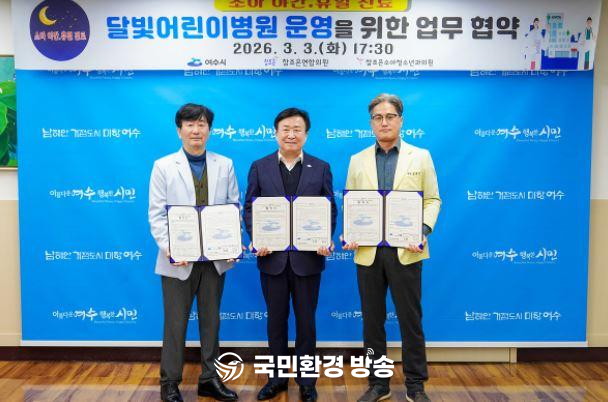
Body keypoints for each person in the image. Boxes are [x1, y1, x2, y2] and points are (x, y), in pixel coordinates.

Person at [343, 94, 441, 402]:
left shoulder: (420, 156)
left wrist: (422, 231)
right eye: (378, 117)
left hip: (407, 250)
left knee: (410, 320)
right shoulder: (357, 160)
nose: (384, 122)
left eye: (390, 116)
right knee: (372, 321)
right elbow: (351, 203)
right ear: (371, 123)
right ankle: (378, 384)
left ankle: (416, 384)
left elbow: (432, 200)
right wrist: (351, 232)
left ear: (401, 120)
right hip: (368, 251)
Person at [244, 108, 337, 402]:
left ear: (306, 134)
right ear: (276, 133)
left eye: (297, 129)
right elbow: (250, 207)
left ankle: (307, 382)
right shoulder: (259, 167)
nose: (291, 134)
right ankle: (277, 379)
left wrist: (325, 238)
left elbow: (329, 208)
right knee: (276, 322)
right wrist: (257, 238)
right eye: (286, 129)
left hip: (308, 260)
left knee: (307, 323)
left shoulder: (320, 167)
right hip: (272, 259)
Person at [148, 103, 240, 402]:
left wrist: (232, 244)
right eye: (190, 125)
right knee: (175, 324)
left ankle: (210, 379)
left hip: (214, 260)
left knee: (211, 322)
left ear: (209, 130)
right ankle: (169, 382)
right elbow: (156, 215)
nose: (196, 130)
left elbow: (233, 208)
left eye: (201, 124)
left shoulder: (224, 164)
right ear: (180, 130)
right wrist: (172, 250)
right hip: (178, 260)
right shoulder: (163, 166)